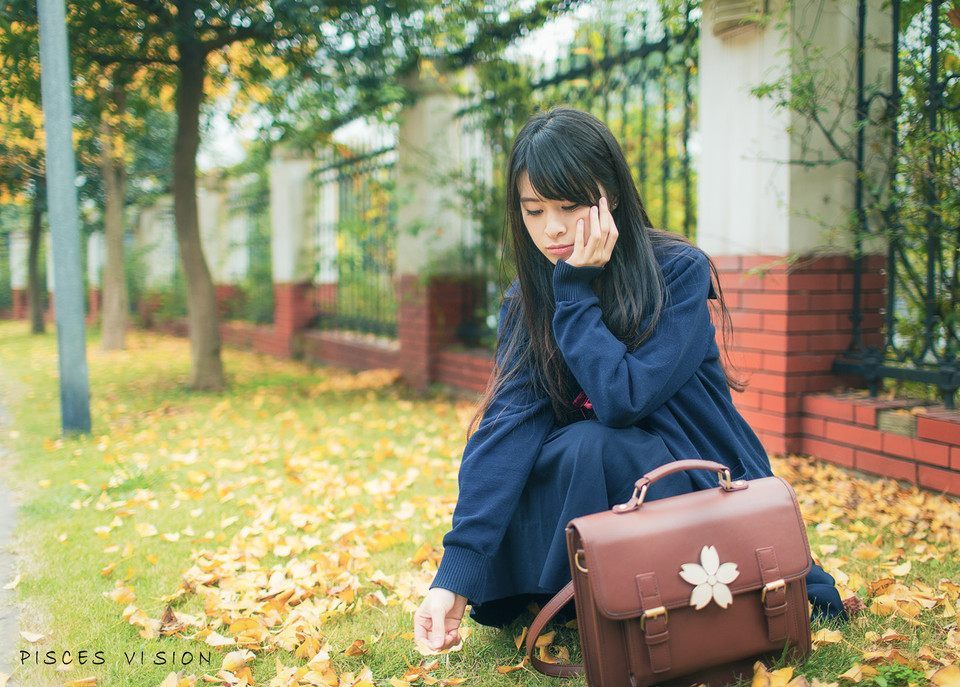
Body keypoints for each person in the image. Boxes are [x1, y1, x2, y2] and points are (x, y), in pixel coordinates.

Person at [413, 107, 845, 653]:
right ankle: (575, 594)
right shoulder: (527, 300)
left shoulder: (677, 273)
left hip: (692, 478)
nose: (552, 228)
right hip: (618, 496)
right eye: (534, 209)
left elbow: (622, 398)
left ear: (608, 194)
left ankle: (620, 590)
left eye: (570, 206)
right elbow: (506, 428)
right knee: (562, 446)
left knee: (602, 439)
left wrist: (574, 292)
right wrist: (452, 578)